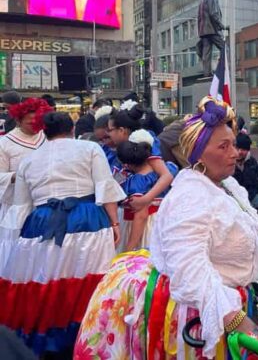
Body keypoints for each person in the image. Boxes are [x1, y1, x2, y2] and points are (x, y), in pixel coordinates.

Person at [76, 97, 258, 358]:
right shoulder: (190, 196)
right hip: (201, 316)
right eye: (223, 146)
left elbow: (224, 232)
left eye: (233, 144)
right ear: (198, 153)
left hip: (225, 306)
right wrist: (237, 322)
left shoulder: (226, 184)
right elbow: (190, 270)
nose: (234, 153)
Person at [0, 111, 124, 355]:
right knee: (89, 279)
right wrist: (114, 223)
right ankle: (89, 337)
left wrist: (17, 244)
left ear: (44, 132)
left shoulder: (29, 160)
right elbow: (105, 187)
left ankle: (50, 342)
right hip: (87, 219)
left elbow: (22, 206)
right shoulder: (90, 149)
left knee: (49, 281)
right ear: (72, 130)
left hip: (42, 223)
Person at [116, 130, 178, 251]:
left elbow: (141, 216)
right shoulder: (158, 174)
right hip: (159, 222)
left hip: (141, 228)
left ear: (128, 164)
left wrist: (129, 249)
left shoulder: (137, 182)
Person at [107, 103, 174, 214]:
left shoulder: (144, 140)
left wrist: (145, 200)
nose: (108, 134)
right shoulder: (120, 146)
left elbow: (166, 175)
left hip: (149, 201)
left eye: (110, 130)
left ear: (122, 130)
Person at [0, 98, 52, 222]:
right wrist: (19, 175)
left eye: (38, 122)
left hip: (45, 202)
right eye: (30, 123)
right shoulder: (5, 143)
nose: (35, 125)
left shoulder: (48, 136)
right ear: (18, 121)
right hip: (16, 204)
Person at [196, 0, 226, 76]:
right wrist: (220, 25)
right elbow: (213, 13)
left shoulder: (201, 0)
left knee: (206, 53)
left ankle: (207, 73)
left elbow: (199, 18)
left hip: (204, 32)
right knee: (225, 48)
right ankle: (225, 70)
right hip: (211, 30)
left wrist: (200, 32)